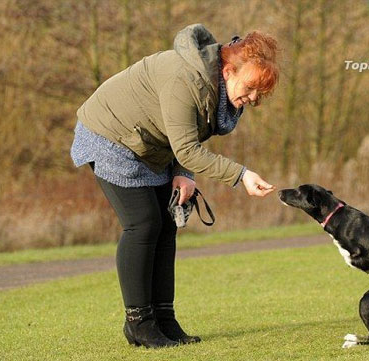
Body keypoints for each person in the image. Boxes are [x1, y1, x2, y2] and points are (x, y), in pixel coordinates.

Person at [70, 24, 279, 348]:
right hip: (110, 134)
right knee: (143, 224)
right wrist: (241, 175)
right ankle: (139, 323)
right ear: (227, 70)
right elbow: (187, 147)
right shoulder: (186, 79)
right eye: (251, 88)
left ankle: (164, 319)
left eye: (259, 95)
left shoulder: (217, 91)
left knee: (166, 224)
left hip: (151, 145)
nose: (251, 100)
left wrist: (184, 173)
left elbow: (187, 136)